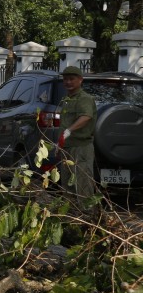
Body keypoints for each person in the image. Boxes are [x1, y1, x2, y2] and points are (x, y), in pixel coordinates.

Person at [57, 65, 96, 201]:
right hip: (67, 147)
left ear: (80, 80)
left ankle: (87, 218)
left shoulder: (84, 98)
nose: (68, 82)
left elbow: (86, 117)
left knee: (83, 184)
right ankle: (72, 218)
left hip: (81, 147)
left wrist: (69, 130)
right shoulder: (67, 99)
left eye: (71, 79)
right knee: (68, 186)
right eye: (65, 79)